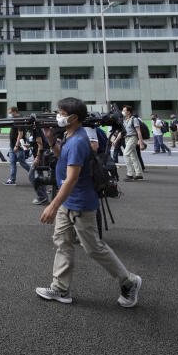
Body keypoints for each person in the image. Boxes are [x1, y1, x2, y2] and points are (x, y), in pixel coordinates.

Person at [34, 97, 142, 308]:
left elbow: (72, 178)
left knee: (93, 248)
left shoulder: (77, 141)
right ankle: (60, 288)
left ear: (74, 118)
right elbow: (62, 158)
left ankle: (129, 282)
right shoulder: (70, 135)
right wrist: (50, 141)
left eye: (62, 114)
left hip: (80, 203)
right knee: (62, 242)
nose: (58, 117)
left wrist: (52, 206)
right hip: (69, 202)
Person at [113, 105, 145, 182]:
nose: (122, 112)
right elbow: (122, 132)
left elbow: (138, 131)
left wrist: (141, 142)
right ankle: (139, 174)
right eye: (123, 110)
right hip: (126, 138)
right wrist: (115, 140)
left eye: (124, 110)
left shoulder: (134, 119)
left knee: (126, 154)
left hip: (133, 138)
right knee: (134, 157)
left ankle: (130, 174)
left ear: (129, 112)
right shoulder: (124, 120)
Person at [4, 107, 31, 186]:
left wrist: (16, 145)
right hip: (12, 145)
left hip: (18, 146)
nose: (10, 114)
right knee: (12, 162)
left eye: (11, 113)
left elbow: (21, 134)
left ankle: (35, 175)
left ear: (15, 112)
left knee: (22, 163)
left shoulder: (20, 119)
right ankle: (12, 180)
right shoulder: (15, 119)